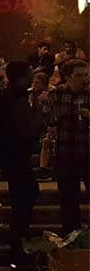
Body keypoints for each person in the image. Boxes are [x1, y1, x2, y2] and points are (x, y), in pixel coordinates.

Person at [0, 61, 40, 271]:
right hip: (17, 158)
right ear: (22, 78)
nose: (33, 76)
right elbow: (26, 131)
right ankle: (18, 251)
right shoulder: (17, 100)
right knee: (26, 197)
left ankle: (19, 248)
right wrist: (38, 122)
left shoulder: (6, 98)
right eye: (30, 73)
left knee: (21, 200)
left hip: (9, 158)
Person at [43, 59, 90, 235]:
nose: (84, 79)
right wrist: (58, 116)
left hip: (87, 152)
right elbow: (47, 120)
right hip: (66, 154)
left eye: (86, 74)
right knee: (69, 199)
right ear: (68, 77)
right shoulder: (57, 95)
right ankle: (72, 235)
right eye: (79, 75)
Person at [29, 72, 53, 182]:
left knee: (46, 141)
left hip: (49, 125)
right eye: (34, 82)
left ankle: (43, 169)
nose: (34, 85)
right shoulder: (32, 95)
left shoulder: (51, 93)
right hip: (38, 125)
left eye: (37, 82)